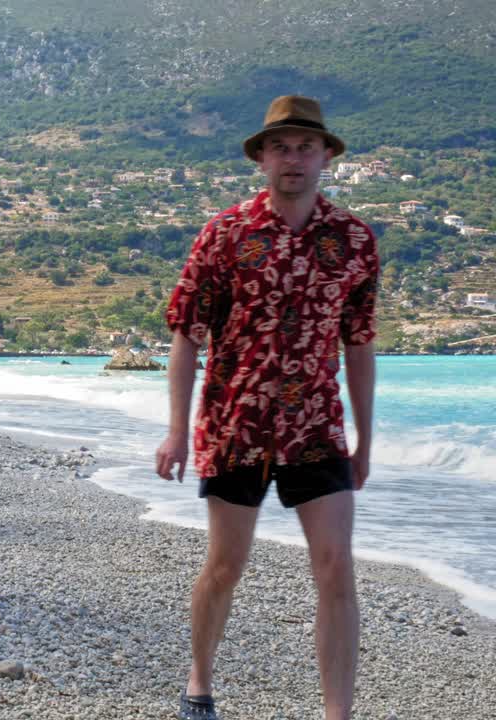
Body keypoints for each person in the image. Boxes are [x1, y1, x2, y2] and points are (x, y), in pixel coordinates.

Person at [154, 95, 379, 720]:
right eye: (281, 147)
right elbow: (186, 335)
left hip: (317, 429)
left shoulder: (354, 241)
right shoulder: (225, 234)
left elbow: (360, 344)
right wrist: (176, 432)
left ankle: (338, 713)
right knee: (226, 566)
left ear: (326, 156)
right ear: (262, 158)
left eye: (306, 147)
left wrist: (366, 439)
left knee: (335, 567)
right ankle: (199, 684)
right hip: (235, 426)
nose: (293, 158)